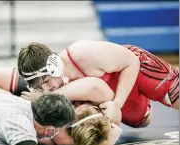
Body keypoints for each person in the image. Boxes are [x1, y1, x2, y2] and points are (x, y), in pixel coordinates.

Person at [17, 40, 179, 128]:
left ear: (54, 66)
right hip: (115, 94)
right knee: (143, 121)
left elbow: (131, 61)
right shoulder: (55, 84)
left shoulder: (83, 53)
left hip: (134, 70)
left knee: (175, 95)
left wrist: (117, 103)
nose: (47, 88)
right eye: (40, 87)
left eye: (46, 81)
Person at [0, 43, 75, 145]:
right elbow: (63, 141)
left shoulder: (13, 102)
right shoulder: (19, 122)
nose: (47, 90)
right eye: (41, 86)